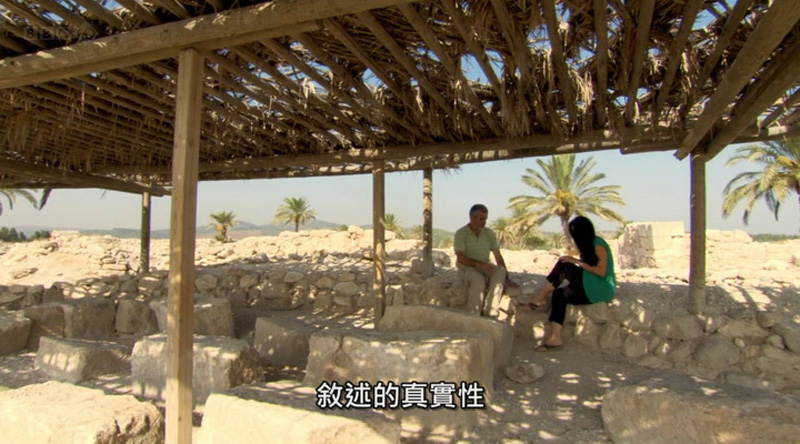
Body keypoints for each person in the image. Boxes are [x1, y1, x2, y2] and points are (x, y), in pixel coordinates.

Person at [526, 216, 615, 351]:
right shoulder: (587, 245)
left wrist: (576, 262)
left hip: (599, 288)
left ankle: (539, 299)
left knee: (565, 265)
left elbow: (601, 272)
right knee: (559, 294)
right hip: (589, 284)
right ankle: (555, 337)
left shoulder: (598, 244)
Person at [454, 204, 518, 318]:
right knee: (478, 280)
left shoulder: (489, 233)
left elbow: (498, 256)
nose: (483, 222)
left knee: (500, 271)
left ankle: (491, 311)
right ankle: (474, 314)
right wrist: (478, 264)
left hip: (484, 266)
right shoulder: (461, 233)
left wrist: (507, 278)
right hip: (467, 268)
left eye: (485, 219)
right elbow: (461, 258)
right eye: (481, 219)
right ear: (472, 218)